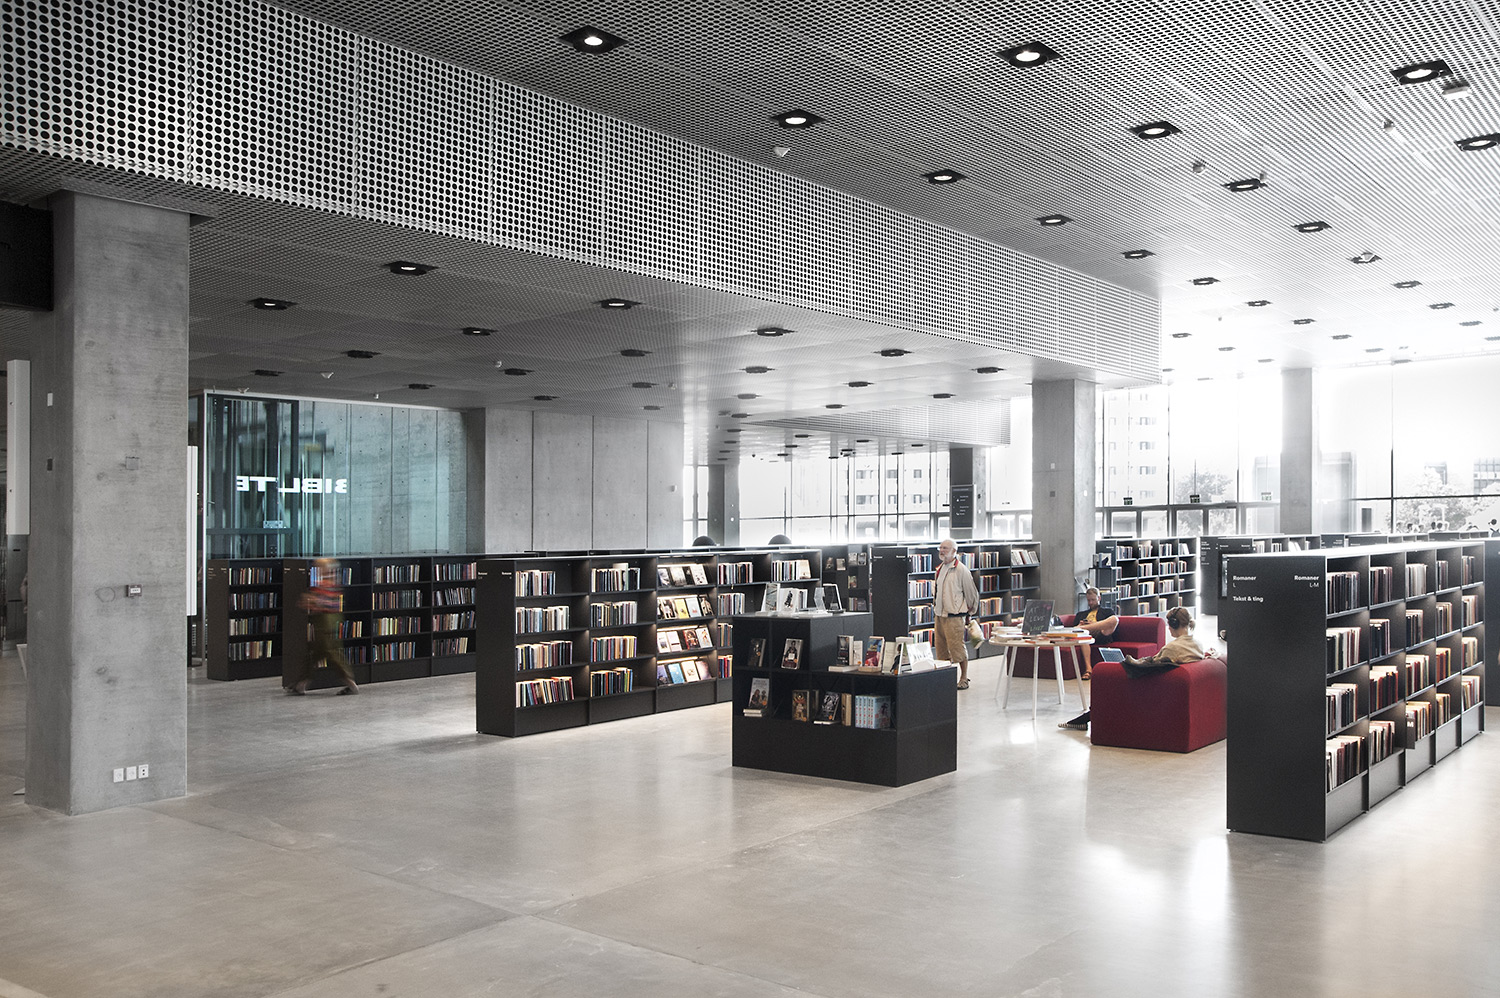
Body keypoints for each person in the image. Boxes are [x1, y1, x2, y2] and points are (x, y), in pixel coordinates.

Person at [1059, 605, 1216, 730]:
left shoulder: (1173, 648)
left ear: (1174, 624)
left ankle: (1086, 718)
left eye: (1169, 624)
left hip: (1151, 688)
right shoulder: (1197, 644)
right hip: (1165, 686)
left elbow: (1150, 666)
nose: (1168, 628)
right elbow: (1157, 664)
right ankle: (1087, 718)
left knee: (1111, 681)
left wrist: (1130, 661)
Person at [287, 557, 359, 696]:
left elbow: (320, 603)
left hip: (324, 622)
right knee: (317, 653)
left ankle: (350, 682)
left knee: (329, 653)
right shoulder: (333, 583)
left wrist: (310, 601)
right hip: (330, 621)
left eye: (319, 568)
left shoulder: (324, 585)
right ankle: (301, 684)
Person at [933, 538, 980, 689]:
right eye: (940, 548)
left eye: (945, 548)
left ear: (954, 551)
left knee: (957, 648)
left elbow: (971, 593)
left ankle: (964, 678)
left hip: (955, 616)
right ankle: (945, 678)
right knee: (941, 648)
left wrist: (970, 612)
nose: (942, 551)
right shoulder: (940, 569)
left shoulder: (961, 570)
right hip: (940, 615)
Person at [1072, 586, 1118, 679]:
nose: (1090, 603)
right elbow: (1074, 629)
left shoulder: (1107, 611)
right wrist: (1080, 625)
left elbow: (1112, 626)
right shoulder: (1081, 614)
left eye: (1093, 600)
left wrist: (1094, 624)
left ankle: (1085, 627)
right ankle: (1088, 670)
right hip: (1086, 634)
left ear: (1099, 598)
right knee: (1084, 637)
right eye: (1089, 600)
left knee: (1114, 619)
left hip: (1102, 633)